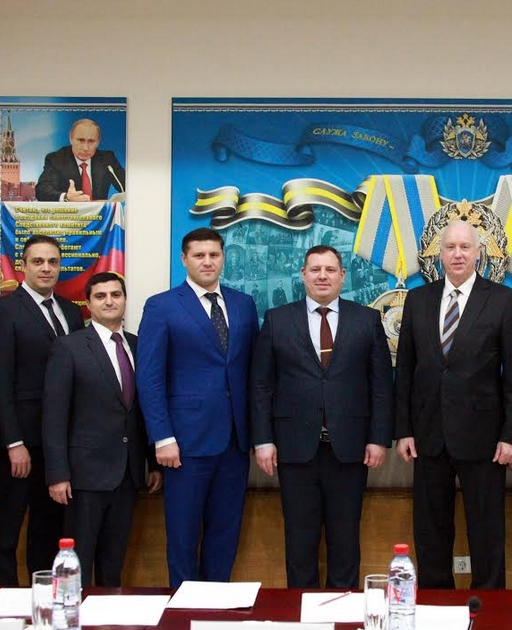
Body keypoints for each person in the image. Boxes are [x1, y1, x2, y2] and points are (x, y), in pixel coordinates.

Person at [394, 219, 512, 589]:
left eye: (465, 247)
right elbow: (405, 369)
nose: (457, 254)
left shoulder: (503, 301)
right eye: (450, 247)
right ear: (439, 254)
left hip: (485, 439)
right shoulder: (418, 300)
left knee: (486, 531)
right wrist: (404, 430)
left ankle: (490, 609)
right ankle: (436, 603)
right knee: (430, 531)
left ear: (479, 253)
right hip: (428, 437)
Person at [250, 245, 393, 589]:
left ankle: (343, 611)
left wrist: (378, 438)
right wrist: (264, 440)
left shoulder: (366, 320)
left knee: (346, 540)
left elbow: (381, 386)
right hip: (295, 449)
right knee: (300, 541)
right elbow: (261, 386)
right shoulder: (277, 320)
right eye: (315, 269)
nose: (322, 276)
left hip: (350, 450)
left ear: (343, 276)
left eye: (330, 270)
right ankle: (300, 612)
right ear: (303, 275)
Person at [137, 227, 258, 586]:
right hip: (184, 443)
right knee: (183, 534)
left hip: (235, 441)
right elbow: (150, 378)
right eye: (199, 255)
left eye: (214, 255)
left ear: (223, 258)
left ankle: (216, 605)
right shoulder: (161, 306)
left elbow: (252, 371)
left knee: (225, 533)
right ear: (184, 259)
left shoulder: (243, 304)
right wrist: (162, 437)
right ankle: (184, 609)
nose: (208, 261)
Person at [43, 273, 161, 587]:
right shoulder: (68, 347)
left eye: (116, 295)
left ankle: (110, 616)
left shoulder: (138, 345)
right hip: (84, 475)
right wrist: (57, 474)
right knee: (78, 563)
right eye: (100, 296)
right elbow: (54, 415)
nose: (109, 301)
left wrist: (151, 462)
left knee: (113, 561)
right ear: (88, 303)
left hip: (128, 473)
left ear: (125, 300)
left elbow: (145, 408)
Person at [0, 234, 83, 586]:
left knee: (49, 525)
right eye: (38, 261)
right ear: (23, 266)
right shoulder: (3, 310)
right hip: (22, 442)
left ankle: (42, 593)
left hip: (60, 443)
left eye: (53, 262)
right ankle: (5, 598)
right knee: (9, 525)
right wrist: (12, 442)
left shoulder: (71, 312)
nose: (46, 268)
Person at [35, 118, 127, 202]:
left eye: (91, 141)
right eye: (81, 140)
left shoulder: (107, 159)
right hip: (69, 214)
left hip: (100, 214)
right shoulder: (57, 159)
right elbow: (42, 190)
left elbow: (129, 186)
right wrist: (66, 197)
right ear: (71, 138)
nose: (85, 148)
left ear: (98, 142)